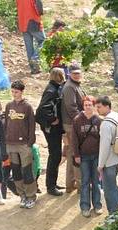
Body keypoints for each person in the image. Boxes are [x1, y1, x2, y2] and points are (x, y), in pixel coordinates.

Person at [4, 80, 37, 208]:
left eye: (16, 92)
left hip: (24, 144)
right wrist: (6, 139)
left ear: (22, 92)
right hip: (11, 144)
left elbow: (31, 126)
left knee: (27, 170)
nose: (14, 94)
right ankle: (22, 195)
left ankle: (31, 196)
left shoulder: (27, 107)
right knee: (16, 170)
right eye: (12, 91)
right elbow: (6, 123)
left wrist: (29, 143)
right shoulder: (9, 106)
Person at [35, 68, 65, 197]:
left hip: (52, 128)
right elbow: (42, 109)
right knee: (55, 155)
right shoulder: (51, 90)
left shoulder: (53, 88)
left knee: (55, 155)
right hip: (51, 129)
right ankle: (50, 186)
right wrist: (53, 119)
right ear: (59, 76)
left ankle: (52, 183)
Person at [72, 96, 102, 216]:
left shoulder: (98, 120)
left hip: (96, 155)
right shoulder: (77, 120)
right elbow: (74, 139)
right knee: (84, 181)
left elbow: (102, 139)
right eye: (85, 105)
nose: (88, 107)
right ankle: (85, 206)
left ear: (93, 106)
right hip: (83, 156)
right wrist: (76, 155)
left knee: (96, 181)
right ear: (83, 106)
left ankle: (97, 205)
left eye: (90, 105)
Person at [60, 62, 86, 193]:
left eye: (78, 73)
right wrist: (82, 120)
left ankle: (70, 184)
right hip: (71, 124)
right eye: (74, 73)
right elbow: (71, 108)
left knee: (71, 154)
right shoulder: (70, 87)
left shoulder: (75, 85)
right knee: (76, 153)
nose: (77, 75)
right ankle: (80, 186)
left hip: (72, 123)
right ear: (69, 74)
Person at [16, 0, 45, 74]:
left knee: (29, 47)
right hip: (33, 21)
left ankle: (34, 69)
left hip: (23, 23)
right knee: (44, 40)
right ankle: (35, 58)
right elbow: (39, 9)